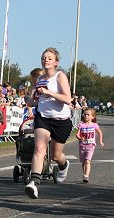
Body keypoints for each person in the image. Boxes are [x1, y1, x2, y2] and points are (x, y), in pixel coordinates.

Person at [24, 47, 72, 199]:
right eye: (44, 58)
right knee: (39, 148)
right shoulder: (40, 79)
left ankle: (64, 165)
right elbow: (33, 102)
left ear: (56, 62)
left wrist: (48, 92)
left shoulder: (60, 76)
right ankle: (34, 183)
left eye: (50, 58)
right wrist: (31, 100)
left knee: (56, 156)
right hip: (43, 117)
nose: (46, 60)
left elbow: (68, 99)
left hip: (61, 121)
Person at [76, 108, 104, 183]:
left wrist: (100, 141)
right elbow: (77, 134)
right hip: (82, 146)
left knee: (87, 161)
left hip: (91, 146)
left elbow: (99, 132)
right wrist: (79, 138)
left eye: (88, 115)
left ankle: (86, 176)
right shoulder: (81, 125)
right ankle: (84, 174)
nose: (86, 116)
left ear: (93, 117)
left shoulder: (94, 125)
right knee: (83, 162)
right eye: (85, 114)